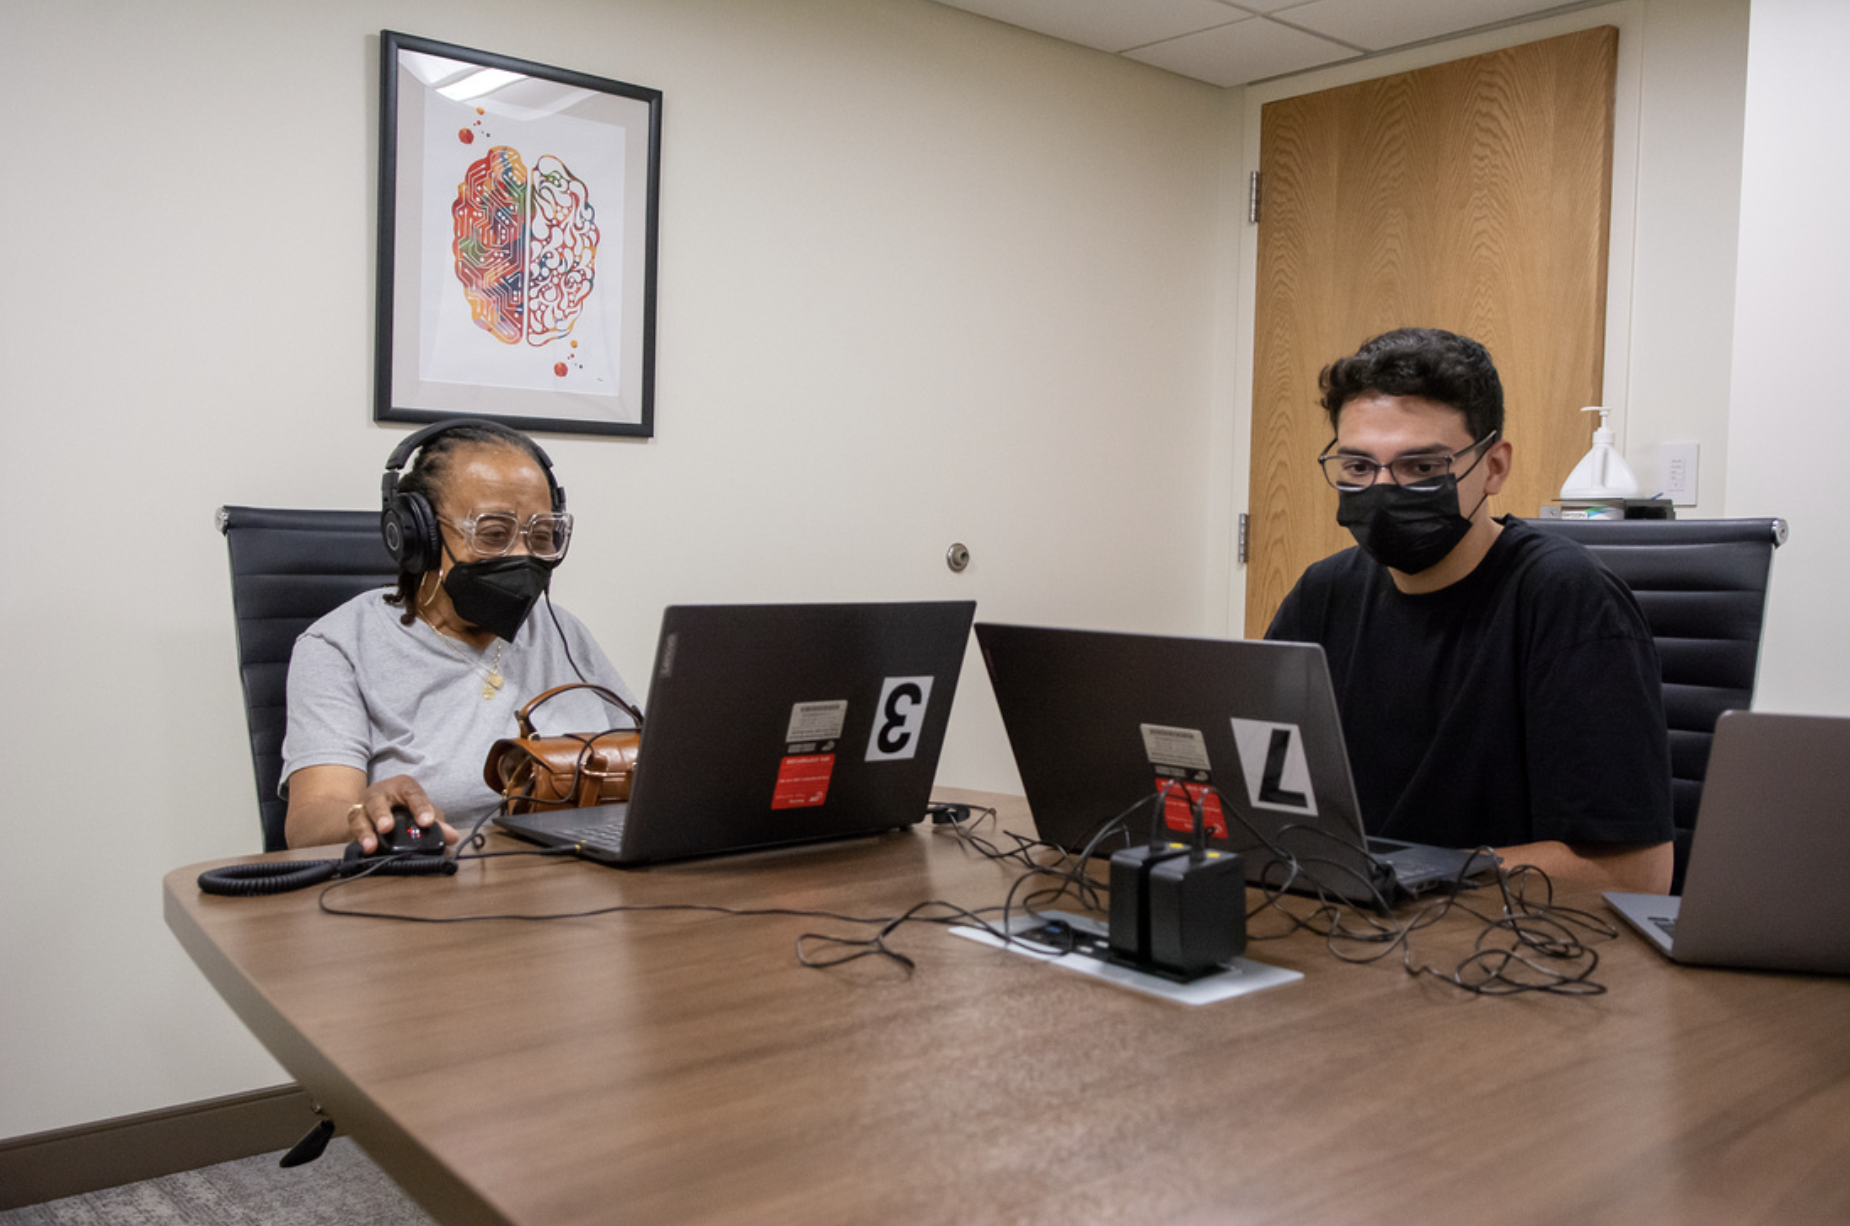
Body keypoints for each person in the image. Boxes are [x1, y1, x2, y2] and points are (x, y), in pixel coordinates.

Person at [1265, 327, 1674, 892]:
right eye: (1359, 467)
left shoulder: (1568, 601)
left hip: (1505, 949)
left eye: (1423, 468)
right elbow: (1257, 795)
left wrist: (1416, 875)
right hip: (1346, 923)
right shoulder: (1322, 595)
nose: (1384, 489)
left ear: (1494, 467)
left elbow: (1636, 873)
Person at [280, 419, 640, 851]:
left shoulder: (561, 631)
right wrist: (363, 813)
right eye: (494, 534)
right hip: (431, 894)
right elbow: (308, 823)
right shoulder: (340, 646)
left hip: (579, 881)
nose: (524, 557)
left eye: (541, 536)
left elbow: (655, 766)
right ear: (420, 537)